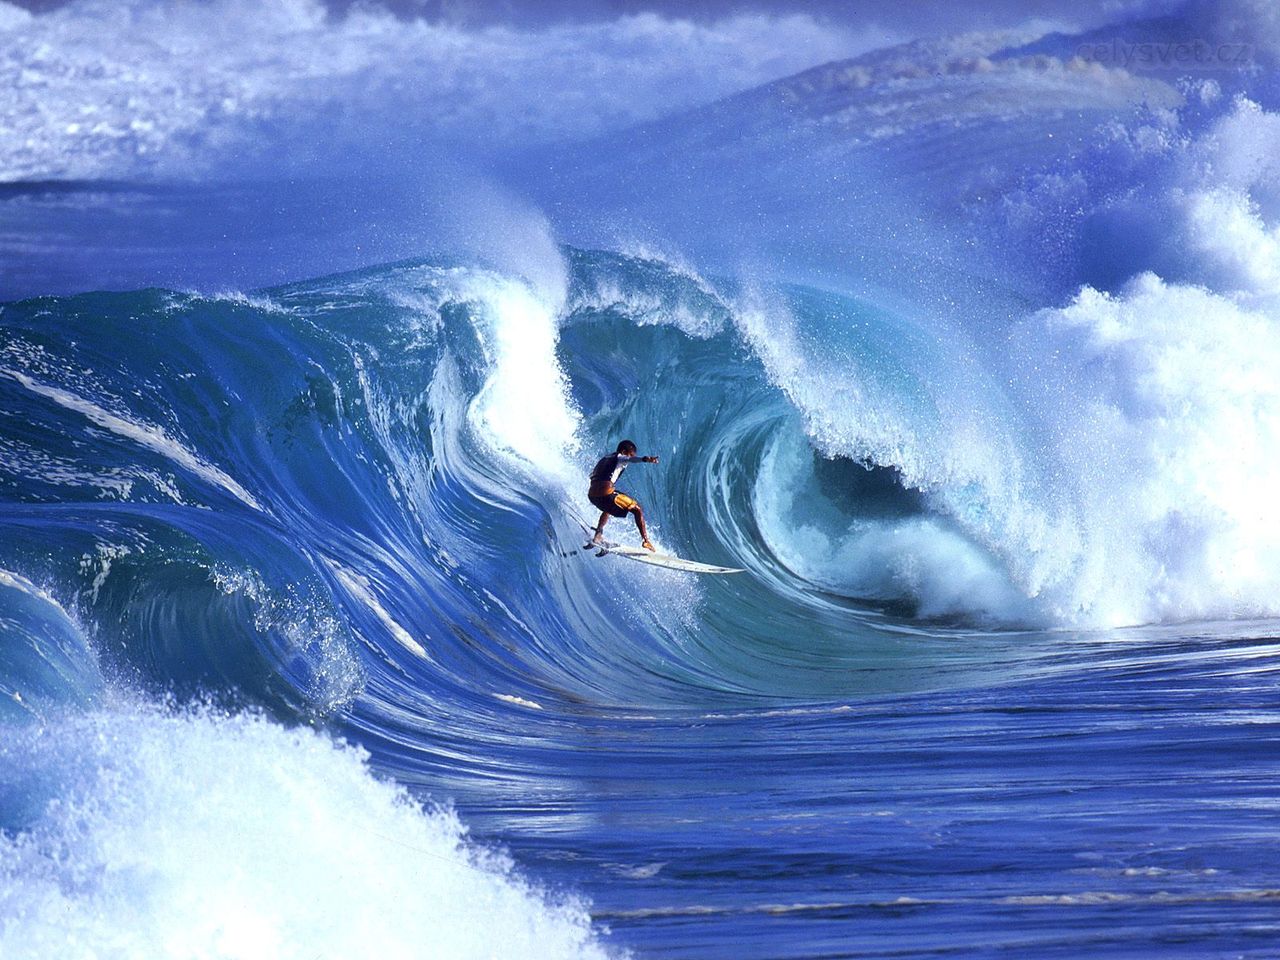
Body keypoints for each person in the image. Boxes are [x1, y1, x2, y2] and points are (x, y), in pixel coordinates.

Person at [587, 439, 660, 551]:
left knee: (609, 507)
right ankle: (646, 541)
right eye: (630, 454)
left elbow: (592, 475)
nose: (630, 457)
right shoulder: (620, 457)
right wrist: (646, 459)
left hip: (593, 496)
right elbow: (631, 459)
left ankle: (598, 534)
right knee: (637, 509)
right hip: (605, 494)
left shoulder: (604, 459)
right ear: (624, 451)